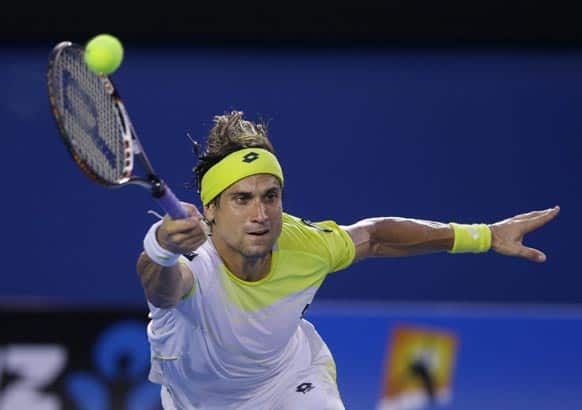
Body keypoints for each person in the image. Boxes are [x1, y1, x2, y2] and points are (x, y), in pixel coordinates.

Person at [137, 111, 559, 410]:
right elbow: (161, 285)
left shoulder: (305, 245)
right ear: (209, 210)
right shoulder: (193, 263)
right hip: (200, 402)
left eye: (270, 197)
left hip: (289, 378)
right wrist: (161, 245)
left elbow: (374, 236)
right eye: (241, 199)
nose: (260, 214)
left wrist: (485, 236)